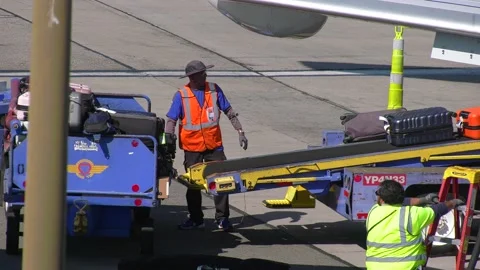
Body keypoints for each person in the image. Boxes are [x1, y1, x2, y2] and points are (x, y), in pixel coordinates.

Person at [165, 60, 248, 231]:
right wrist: (168, 139)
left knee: (222, 182)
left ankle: (222, 218)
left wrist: (240, 131)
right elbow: (171, 120)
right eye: (202, 73)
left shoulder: (215, 90)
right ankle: (196, 219)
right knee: (193, 185)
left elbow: (230, 112)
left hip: (214, 145)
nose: (206, 75)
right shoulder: (181, 95)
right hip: (192, 147)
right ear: (193, 77)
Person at [365, 180, 464, 270]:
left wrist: (423, 200)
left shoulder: (373, 211)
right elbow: (438, 210)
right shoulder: (412, 215)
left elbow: (401, 201)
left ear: (381, 199)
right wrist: (453, 202)